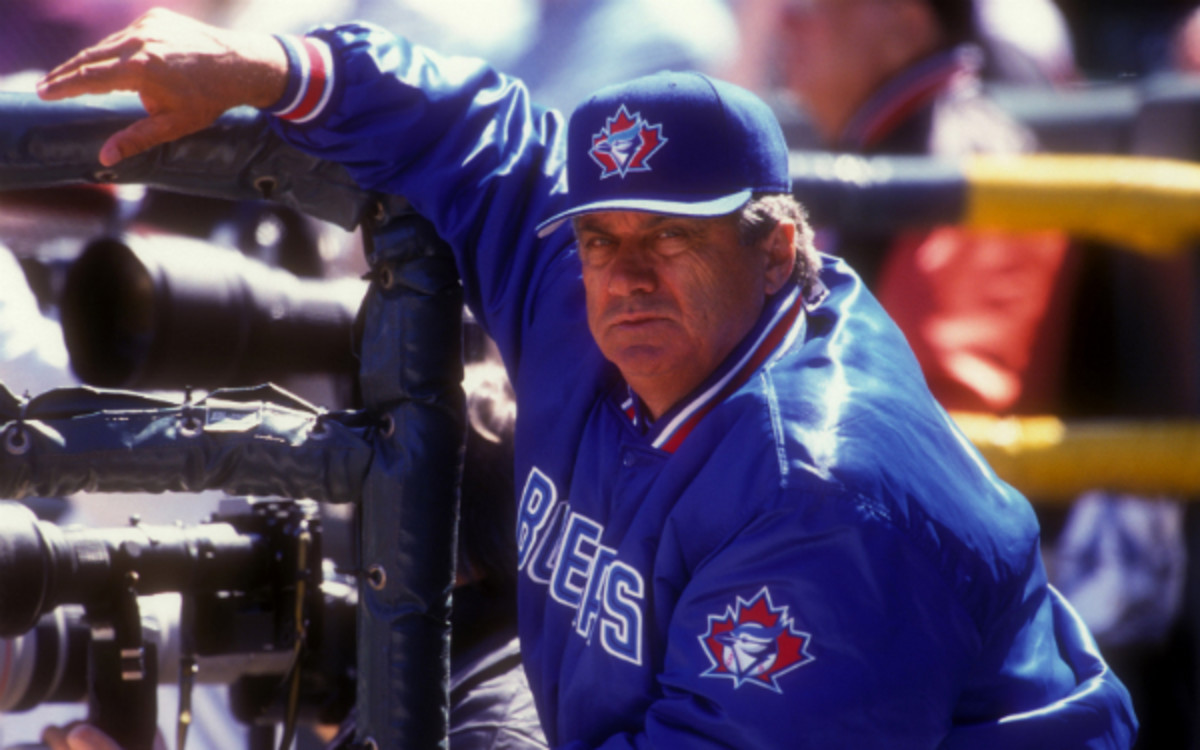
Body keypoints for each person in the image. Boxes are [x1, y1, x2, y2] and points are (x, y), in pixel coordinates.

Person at [36, 7, 1137, 748]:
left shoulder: (825, 498)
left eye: (673, 241)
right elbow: (484, 134)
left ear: (779, 250)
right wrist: (277, 65)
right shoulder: (590, 288)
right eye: (601, 239)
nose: (626, 277)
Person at [775, 0, 1077, 416]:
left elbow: (954, 422)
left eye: (813, 3)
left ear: (905, 29)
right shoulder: (885, 148)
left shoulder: (978, 168)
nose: (788, 17)